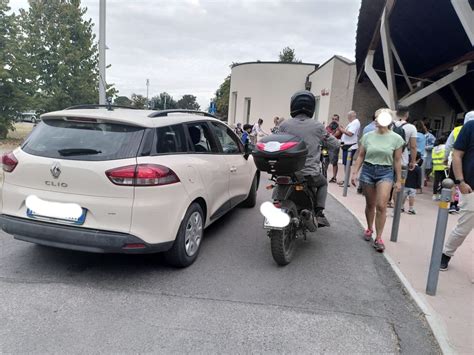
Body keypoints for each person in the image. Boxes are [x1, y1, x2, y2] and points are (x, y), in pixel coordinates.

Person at [279, 90, 339, 227]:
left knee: (279, 184)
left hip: (286, 172)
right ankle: (319, 213)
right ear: (312, 107)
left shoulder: (284, 125)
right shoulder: (317, 126)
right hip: (309, 174)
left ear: (293, 106)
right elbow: (334, 144)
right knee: (323, 183)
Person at [351, 108, 404, 252]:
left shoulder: (396, 139)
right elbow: (361, 155)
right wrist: (354, 172)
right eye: (377, 117)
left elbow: (397, 160)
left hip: (385, 172)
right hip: (368, 170)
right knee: (370, 204)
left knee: (381, 205)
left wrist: (399, 180)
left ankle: (379, 238)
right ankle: (369, 228)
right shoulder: (368, 136)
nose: (377, 120)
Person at [440, 119, 474, 271]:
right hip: (471, 188)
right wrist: (460, 181)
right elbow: (457, 155)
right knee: (463, 228)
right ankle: (446, 253)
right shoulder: (470, 127)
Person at [393, 106, 417, 171]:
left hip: (387, 160)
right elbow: (413, 146)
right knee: (400, 180)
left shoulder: (389, 125)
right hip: (402, 161)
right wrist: (413, 161)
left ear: (396, 113)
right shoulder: (411, 127)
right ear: (407, 114)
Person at [325, 114, 342, 183]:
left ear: (338, 120)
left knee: (334, 162)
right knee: (325, 161)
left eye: (336, 119)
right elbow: (324, 135)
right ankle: (324, 175)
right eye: (333, 119)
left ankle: (334, 177)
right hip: (326, 147)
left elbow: (334, 135)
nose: (334, 120)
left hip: (334, 147)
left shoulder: (340, 128)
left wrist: (329, 134)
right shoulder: (328, 127)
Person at [431, 136, 448, 200]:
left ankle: (434, 195)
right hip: (444, 167)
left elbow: (432, 158)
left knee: (436, 181)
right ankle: (441, 195)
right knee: (443, 182)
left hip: (436, 166)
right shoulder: (445, 147)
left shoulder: (434, 148)